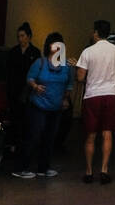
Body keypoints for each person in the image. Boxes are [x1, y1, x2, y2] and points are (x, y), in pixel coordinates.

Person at [12, 33, 75, 179]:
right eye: (54, 45)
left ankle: (43, 168)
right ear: (49, 47)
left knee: (50, 138)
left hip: (56, 107)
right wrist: (35, 87)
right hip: (38, 106)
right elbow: (29, 78)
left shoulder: (66, 66)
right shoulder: (40, 63)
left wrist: (65, 99)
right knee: (34, 136)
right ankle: (23, 167)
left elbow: (69, 85)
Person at [76, 20, 115, 184]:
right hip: (111, 94)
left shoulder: (87, 52)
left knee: (90, 135)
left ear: (96, 32)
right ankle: (104, 170)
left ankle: (89, 171)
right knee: (107, 133)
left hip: (92, 95)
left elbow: (80, 77)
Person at [5, 23, 40, 151]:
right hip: (14, 89)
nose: (20, 39)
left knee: (27, 118)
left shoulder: (35, 52)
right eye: (18, 36)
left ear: (29, 37)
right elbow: (9, 71)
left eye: (22, 36)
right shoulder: (13, 51)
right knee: (15, 118)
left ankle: (26, 144)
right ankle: (15, 143)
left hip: (28, 90)